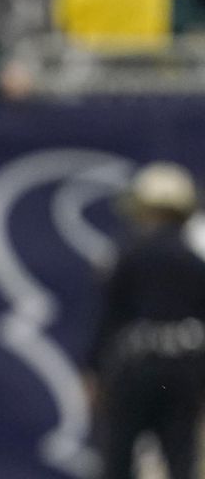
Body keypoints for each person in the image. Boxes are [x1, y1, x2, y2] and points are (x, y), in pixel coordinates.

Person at [85, 161, 205, 479]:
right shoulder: (195, 262)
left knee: (118, 460)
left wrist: (92, 370)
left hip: (132, 370)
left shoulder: (127, 256)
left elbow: (110, 317)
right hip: (185, 370)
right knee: (181, 460)